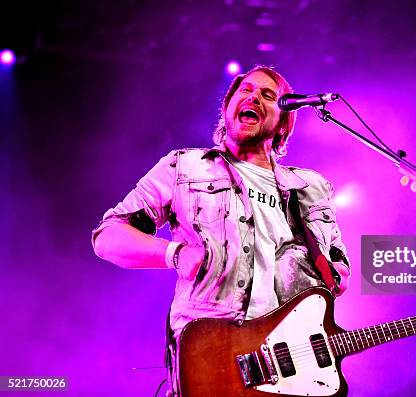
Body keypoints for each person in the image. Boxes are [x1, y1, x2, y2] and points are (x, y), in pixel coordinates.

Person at [91, 65, 351, 394]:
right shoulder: (184, 167)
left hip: (290, 373)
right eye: (246, 91)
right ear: (227, 107)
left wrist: (334, 273)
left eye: (268, 96)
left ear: (284, 122)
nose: (254, 97)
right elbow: (109, 236)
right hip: (214, 359)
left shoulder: (310, 187)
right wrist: (174, 253)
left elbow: (337, 276)